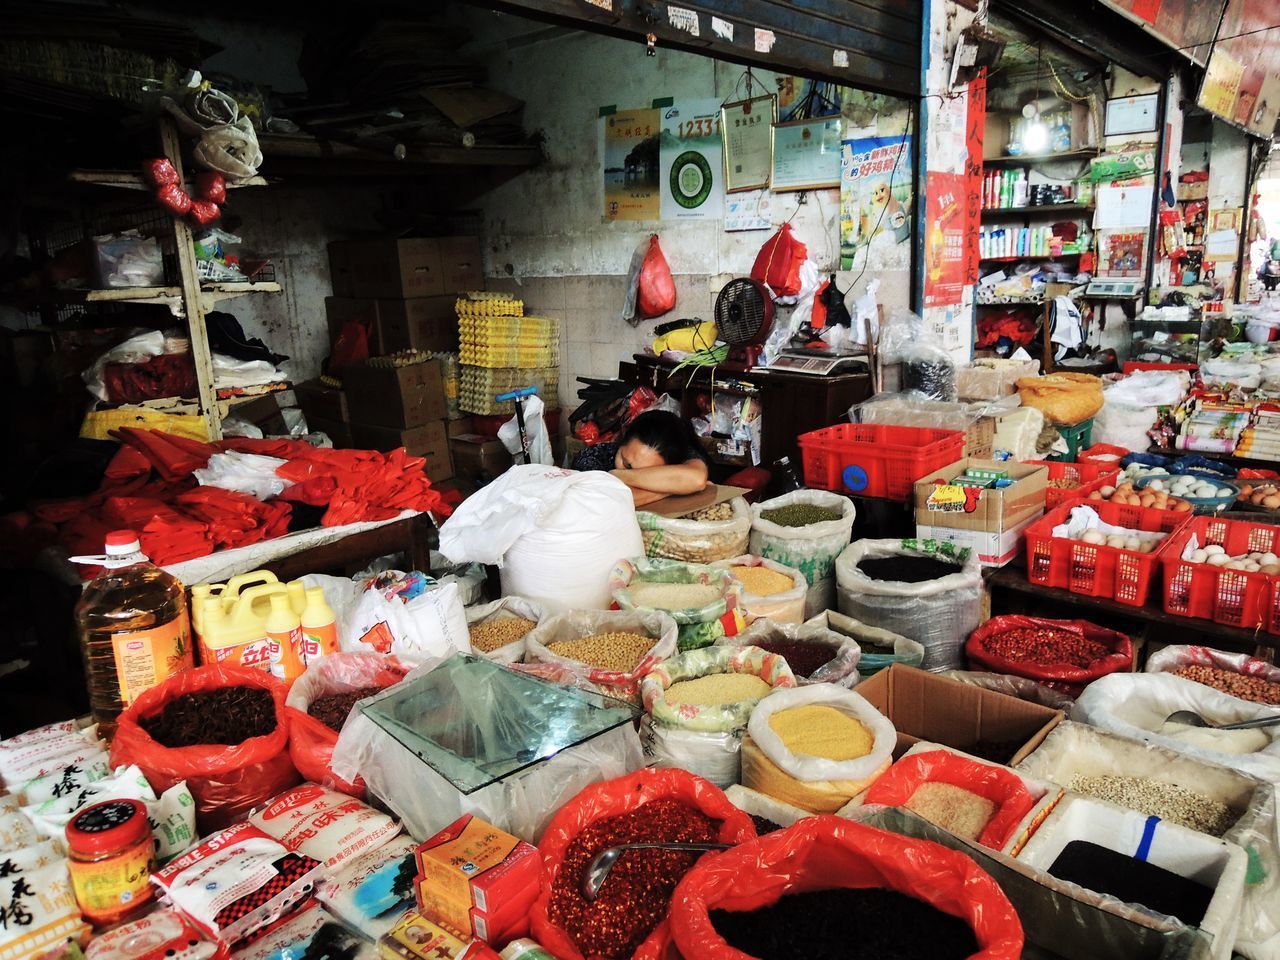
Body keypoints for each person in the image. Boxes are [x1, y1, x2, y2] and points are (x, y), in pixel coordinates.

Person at [571, 409, 710, 506]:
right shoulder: (591, 457)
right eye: (626, 464)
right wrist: (673, 489)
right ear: (622, 438)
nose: (629, 473)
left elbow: (696, 479)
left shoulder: (679, 453)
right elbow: (606, 499)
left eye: (646, 472)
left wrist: (618, 476)